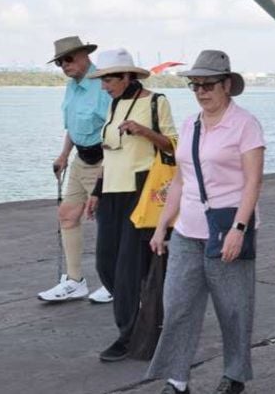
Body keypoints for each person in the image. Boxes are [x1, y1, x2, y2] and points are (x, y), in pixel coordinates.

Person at [147, 50, 265, 394]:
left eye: (209, 84)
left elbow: (253, 182)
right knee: (178, 306)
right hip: (188, 231)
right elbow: (181, 180)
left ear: (227, 85)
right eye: (195, 85)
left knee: (234, 310)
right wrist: (162, 225)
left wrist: (239, 230)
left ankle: (235, 376)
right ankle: (177, 379)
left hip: (228, 228)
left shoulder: (245, 124)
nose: (201, 91)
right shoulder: (190, 124)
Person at [88, 48, 177, 362]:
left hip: (140, 194)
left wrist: (143, 130)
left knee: (127, 270)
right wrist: (96, 191)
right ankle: (146, 311)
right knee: (105, 264)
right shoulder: (115, 104)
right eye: (102, 79)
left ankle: (128, 335)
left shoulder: (156, 102)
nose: (104, 85)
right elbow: (110, 153)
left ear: (128, 76)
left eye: (109, 78)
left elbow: (172, 146)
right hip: (111, 193)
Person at [38, 36, 113, 303]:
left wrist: (106, 172)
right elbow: (72, 126)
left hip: (104, 160)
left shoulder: (103, 84)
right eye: (60, 62)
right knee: (67, 215)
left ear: (84, 56)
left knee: (107, 224)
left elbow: (112, 129)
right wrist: (63, 156)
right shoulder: (72, 87)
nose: (64, 66)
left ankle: (114, 283)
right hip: (80, 159)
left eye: (68, 59)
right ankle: (74, 280)